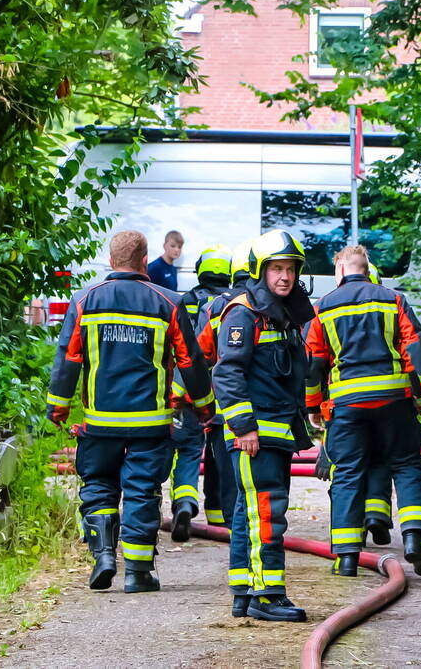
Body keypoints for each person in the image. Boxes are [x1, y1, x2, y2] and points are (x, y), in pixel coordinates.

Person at [46, 231, 212, 593]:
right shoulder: (167, 301)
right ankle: (137, 573)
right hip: (148, 425)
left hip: (100, 422)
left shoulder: (84, 300)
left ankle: (104, 555)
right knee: (141, 491)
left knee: (99, 486)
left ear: (110, 260)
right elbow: (190, 359)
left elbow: (68, 357)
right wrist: (204, 406)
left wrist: (57, 406)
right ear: (144, 261)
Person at [305, 245, 421, 578]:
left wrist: (312, 406)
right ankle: (413, 537)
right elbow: (415, 345)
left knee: (348, 475)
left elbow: (314, 363)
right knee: (407, 465)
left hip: (348, 406)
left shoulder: (322, 308)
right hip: (394, 400)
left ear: (340, 271)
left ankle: (348, 557)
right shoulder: (392, 299)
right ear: (367, 268)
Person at [212, 230, 315, 622]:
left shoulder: (283, 314)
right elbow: (228, 372)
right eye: (277, 269)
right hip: (254, 433)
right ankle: (267, 594)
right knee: (267, 511)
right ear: (260, 270)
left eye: (290, 269)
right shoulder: (244, 312)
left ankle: (244, 590)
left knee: (248, 512)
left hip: (276, 429)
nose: (285, 277)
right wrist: (243, 426)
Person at [167, 245, 232, 539]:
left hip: (188, 389)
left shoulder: (187, 301)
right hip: (224, 391)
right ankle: (218, 518)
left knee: (189, 449)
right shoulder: (233, 303)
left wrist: (176, 391)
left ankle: (185, 501)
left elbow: (178, 347)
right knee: (220, 454)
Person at [196, 239, 254, 528]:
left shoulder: (218, 307)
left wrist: (194, 399)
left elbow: (198, 355)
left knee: (224, 465)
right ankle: (241, 521)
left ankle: (228, 520)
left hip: (222, 405)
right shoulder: (270, 305)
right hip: (263, 408)